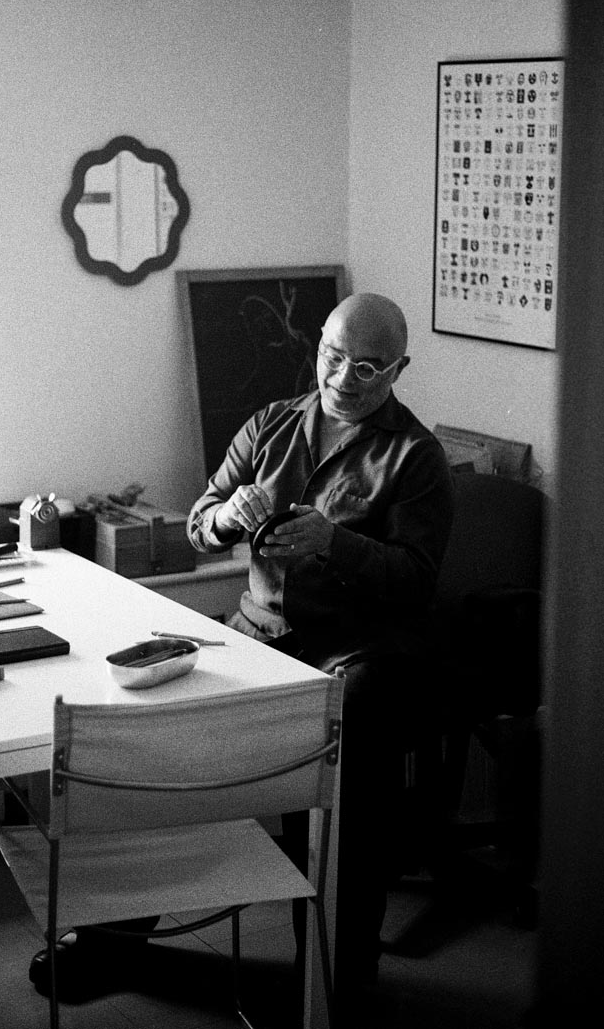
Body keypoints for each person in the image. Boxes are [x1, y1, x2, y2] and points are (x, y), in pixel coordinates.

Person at [186, 291, 455, 998]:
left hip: (354, 652)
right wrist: (223, 518)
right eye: (334, 358)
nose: (344, 380)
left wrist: (337, 544)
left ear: (400, 369)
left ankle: (338, 982)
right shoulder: (271, 423)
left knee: (348, 795)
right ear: (319, 347)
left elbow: (416, 582)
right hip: (258, 636)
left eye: (368, 369)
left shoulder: (416, 457)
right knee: (161, 745)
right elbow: (199, 519)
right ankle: (108, 941)